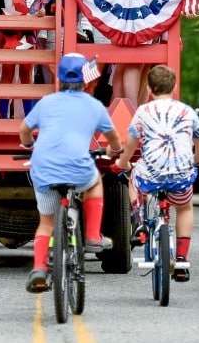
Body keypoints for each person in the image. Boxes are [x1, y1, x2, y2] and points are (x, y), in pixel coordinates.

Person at [19, 53, 123, 292]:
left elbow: (24, 129)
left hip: (44, 169)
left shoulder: (47, 102)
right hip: (78, 168)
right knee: (95, 182)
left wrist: (28, 146)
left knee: (46, 222)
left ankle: (38, 269)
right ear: (85, 79)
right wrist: (114, 150)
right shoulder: (94, 105)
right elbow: (114, 139)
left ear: (59, 77)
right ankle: (94, 236)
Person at [114, 65, 199, 282]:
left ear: (148, 88)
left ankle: (139, 224)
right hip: (181, 175)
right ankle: (182, 257)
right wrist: (196, 159)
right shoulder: (187, 111)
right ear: (174, 87)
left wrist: (124, 162)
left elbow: (130, 143)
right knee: (184, 208)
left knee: (134, 179)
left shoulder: (143, 111)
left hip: (151, 174)